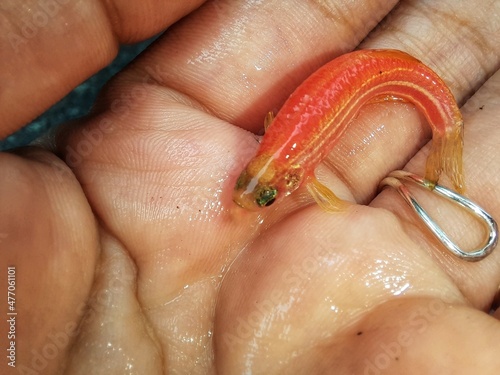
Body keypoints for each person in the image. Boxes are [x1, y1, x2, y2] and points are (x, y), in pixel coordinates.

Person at [1, 1, 499, 373]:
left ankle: (446, 125)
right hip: (380, 78)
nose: (245, 197)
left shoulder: (292, 169)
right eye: (251, 185)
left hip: (397, 77)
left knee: (396, 85)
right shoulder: (282, 162)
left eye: (258, 192)